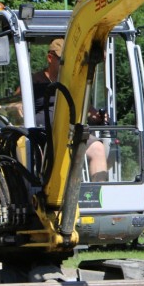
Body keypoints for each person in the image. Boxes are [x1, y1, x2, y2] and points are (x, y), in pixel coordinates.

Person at [34, 38, 109, 182]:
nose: (68, 64)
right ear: (50, 58)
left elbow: (87, 109)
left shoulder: (73, 83)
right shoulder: (35, 81)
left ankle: (99, 194)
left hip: (71, 133)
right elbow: (13, 105)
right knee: (38, 154)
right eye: (63, 59)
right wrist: (17, 108)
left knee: (98, 148)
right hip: (43, 135)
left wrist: (97, 116)